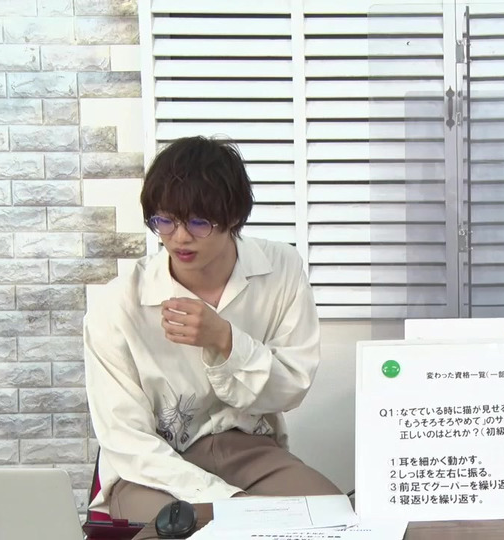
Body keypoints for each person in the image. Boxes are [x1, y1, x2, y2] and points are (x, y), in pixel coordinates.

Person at [84, 136, 340, 521]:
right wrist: (229, 504)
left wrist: (226, 339)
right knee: (194, 529)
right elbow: (125, 438)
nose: (179, 237)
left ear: (233, 217)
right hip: (155, 469)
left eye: (198, 222)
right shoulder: (117, 304)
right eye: (164, 220)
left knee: (333, 519)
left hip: (251, 453)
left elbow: (291, 387)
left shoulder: (281, 269)